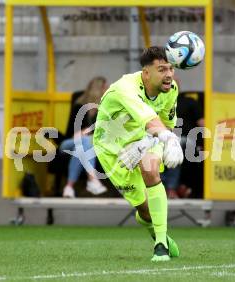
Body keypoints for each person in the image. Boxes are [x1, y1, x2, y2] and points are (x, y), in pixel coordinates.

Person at [93, 46, 183, 262]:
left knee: (150, 169)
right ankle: (154, 230)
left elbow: (165, 125)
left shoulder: (171, 89)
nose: (169, 74)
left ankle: (160, 244)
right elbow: (153, 122)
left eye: (171, 68)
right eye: (162, 69)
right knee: (145, 211)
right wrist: (169, 139)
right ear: (146, 73)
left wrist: (149, 140)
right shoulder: (125, 88)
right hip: (112, 150)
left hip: (146, 139)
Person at [60, 76, 108, 198]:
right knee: (86, 141)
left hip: (86, 144)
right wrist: (87, 132)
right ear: (99, 89)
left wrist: (87, 133)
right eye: (105, 87)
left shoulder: (104, 109)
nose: (108, 89)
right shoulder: (78, 106)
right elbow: (73, 133)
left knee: (83, 146)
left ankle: (69, 187)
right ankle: (92, 179)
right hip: (69, 142)